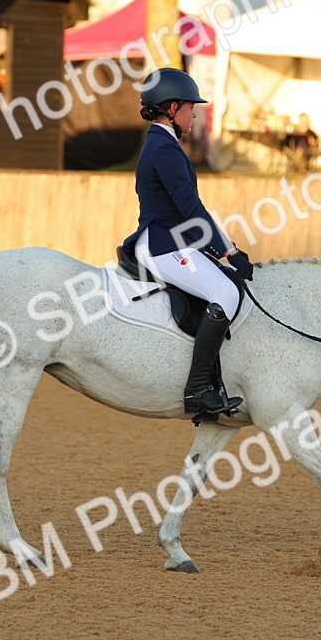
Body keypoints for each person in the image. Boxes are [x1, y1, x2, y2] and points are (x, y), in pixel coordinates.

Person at [120, 68, 254, 419]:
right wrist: (228, 251)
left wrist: (224, 248)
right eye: (191, 107)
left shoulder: (164, 144)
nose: (195, 113)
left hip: (171, 240)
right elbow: (191, 209)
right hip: (163, 245)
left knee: (225, 284)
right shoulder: (163, 149)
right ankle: (197, 390)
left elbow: (194, 210)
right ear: (173, 107)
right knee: (225, 294)